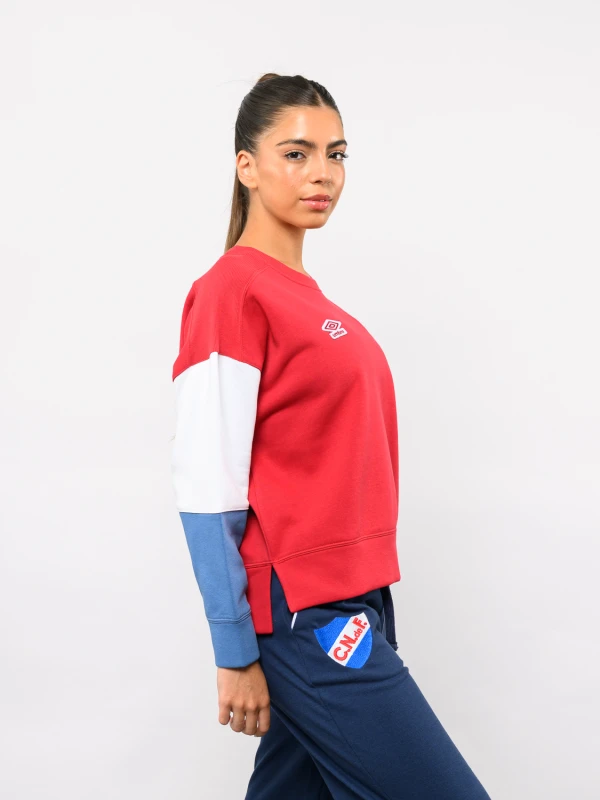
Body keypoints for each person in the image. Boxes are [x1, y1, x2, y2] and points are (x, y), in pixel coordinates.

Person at [170, 72, 492, 799]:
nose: (322, 173)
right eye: (296, 153)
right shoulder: (231, 292)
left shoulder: (307, 300)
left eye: (336, 154)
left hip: (353, 597)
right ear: (246, 166)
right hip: (305, 611)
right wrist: (233, 649)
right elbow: (205, 485)